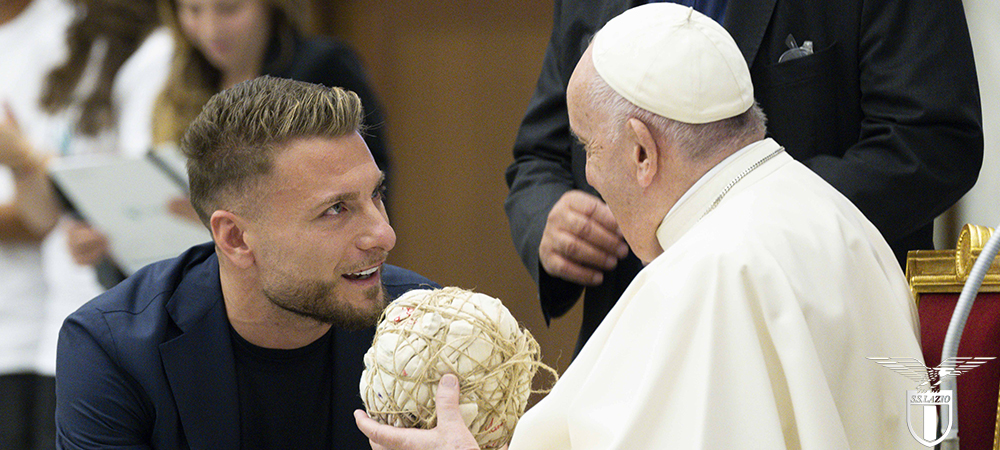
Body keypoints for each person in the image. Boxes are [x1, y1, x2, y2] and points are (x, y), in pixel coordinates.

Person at [358, 4, 924, 448]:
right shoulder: (833, 215)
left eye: (588, 147)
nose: (588, 173)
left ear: (641, 152)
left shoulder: (704, 279)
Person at [505, 0, 984, 355]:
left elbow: (934, 140)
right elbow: (538, 156)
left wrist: (748, 217)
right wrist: (546, 218)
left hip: (813, 340)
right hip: (632, 347)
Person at [55, 76, 437, 449]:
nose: (384, 234)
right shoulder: (115, 349)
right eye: (335, 209)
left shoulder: (427, 328)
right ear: (235, 238)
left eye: (377, 194)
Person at [2, 0, 170, 447]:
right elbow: (45, 219)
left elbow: (139, 198)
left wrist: (29, 157)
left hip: (115, 335)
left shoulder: (156, 50)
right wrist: (19, 163)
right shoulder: (76, 48)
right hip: (56, 333)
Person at [152, 0, 390, 175]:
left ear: (271, 5)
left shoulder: (323, 66)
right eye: (193, 10)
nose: (210, 30)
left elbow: (369, 179)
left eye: (229, 9)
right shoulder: (183, 77)